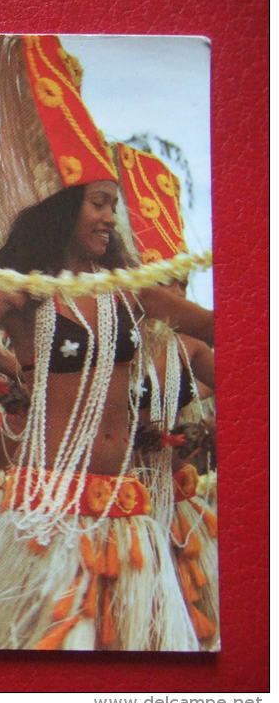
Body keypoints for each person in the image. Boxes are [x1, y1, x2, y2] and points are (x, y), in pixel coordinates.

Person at [0, 35, 213, 651]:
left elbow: (217, 327)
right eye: (100, 204)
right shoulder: (23, 294)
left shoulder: (136, 294)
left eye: (114, 207)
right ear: (64, 208)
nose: (111, 218)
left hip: (125, 513)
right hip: (51, 508)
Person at [117, 143, 219, 650]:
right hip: (113, 504)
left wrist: (203, 427)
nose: (171, 295)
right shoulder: (111, 341)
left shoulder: (192, 345)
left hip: (171, 503)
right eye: (161, 284)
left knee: (176, 629)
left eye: (179, 283)